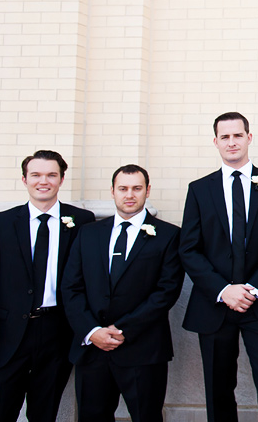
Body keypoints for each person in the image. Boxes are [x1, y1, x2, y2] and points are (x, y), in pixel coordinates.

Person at [180, 112, 258, 422]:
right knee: (218, 390)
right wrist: (223, 290)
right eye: (225, 137)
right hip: (215, 305)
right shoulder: (199, 189)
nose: (232, 142)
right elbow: (189, 249)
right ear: (215, 142)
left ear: (249, 138)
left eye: (237, 135)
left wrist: (253, 289)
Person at [0, 150, 96, 422]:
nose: (44, 181)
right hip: (8, 336)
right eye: (36, 175)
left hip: (57, 332)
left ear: (61, 179)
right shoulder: (0, 223)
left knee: (45, 413)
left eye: (51, 174)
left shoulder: (82, 221)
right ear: (24, 179)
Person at [62, 164, 183, 422]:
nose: (130, 194)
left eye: (137, 188)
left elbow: (166, 291)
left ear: (147, 191)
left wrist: (122, 330)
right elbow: (71, 288)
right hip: (93, 348)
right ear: (113, 191)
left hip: (143, 348)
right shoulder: (88, 233)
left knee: (146, 416)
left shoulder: (169, 235)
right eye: (123, 188)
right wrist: (93, 332)